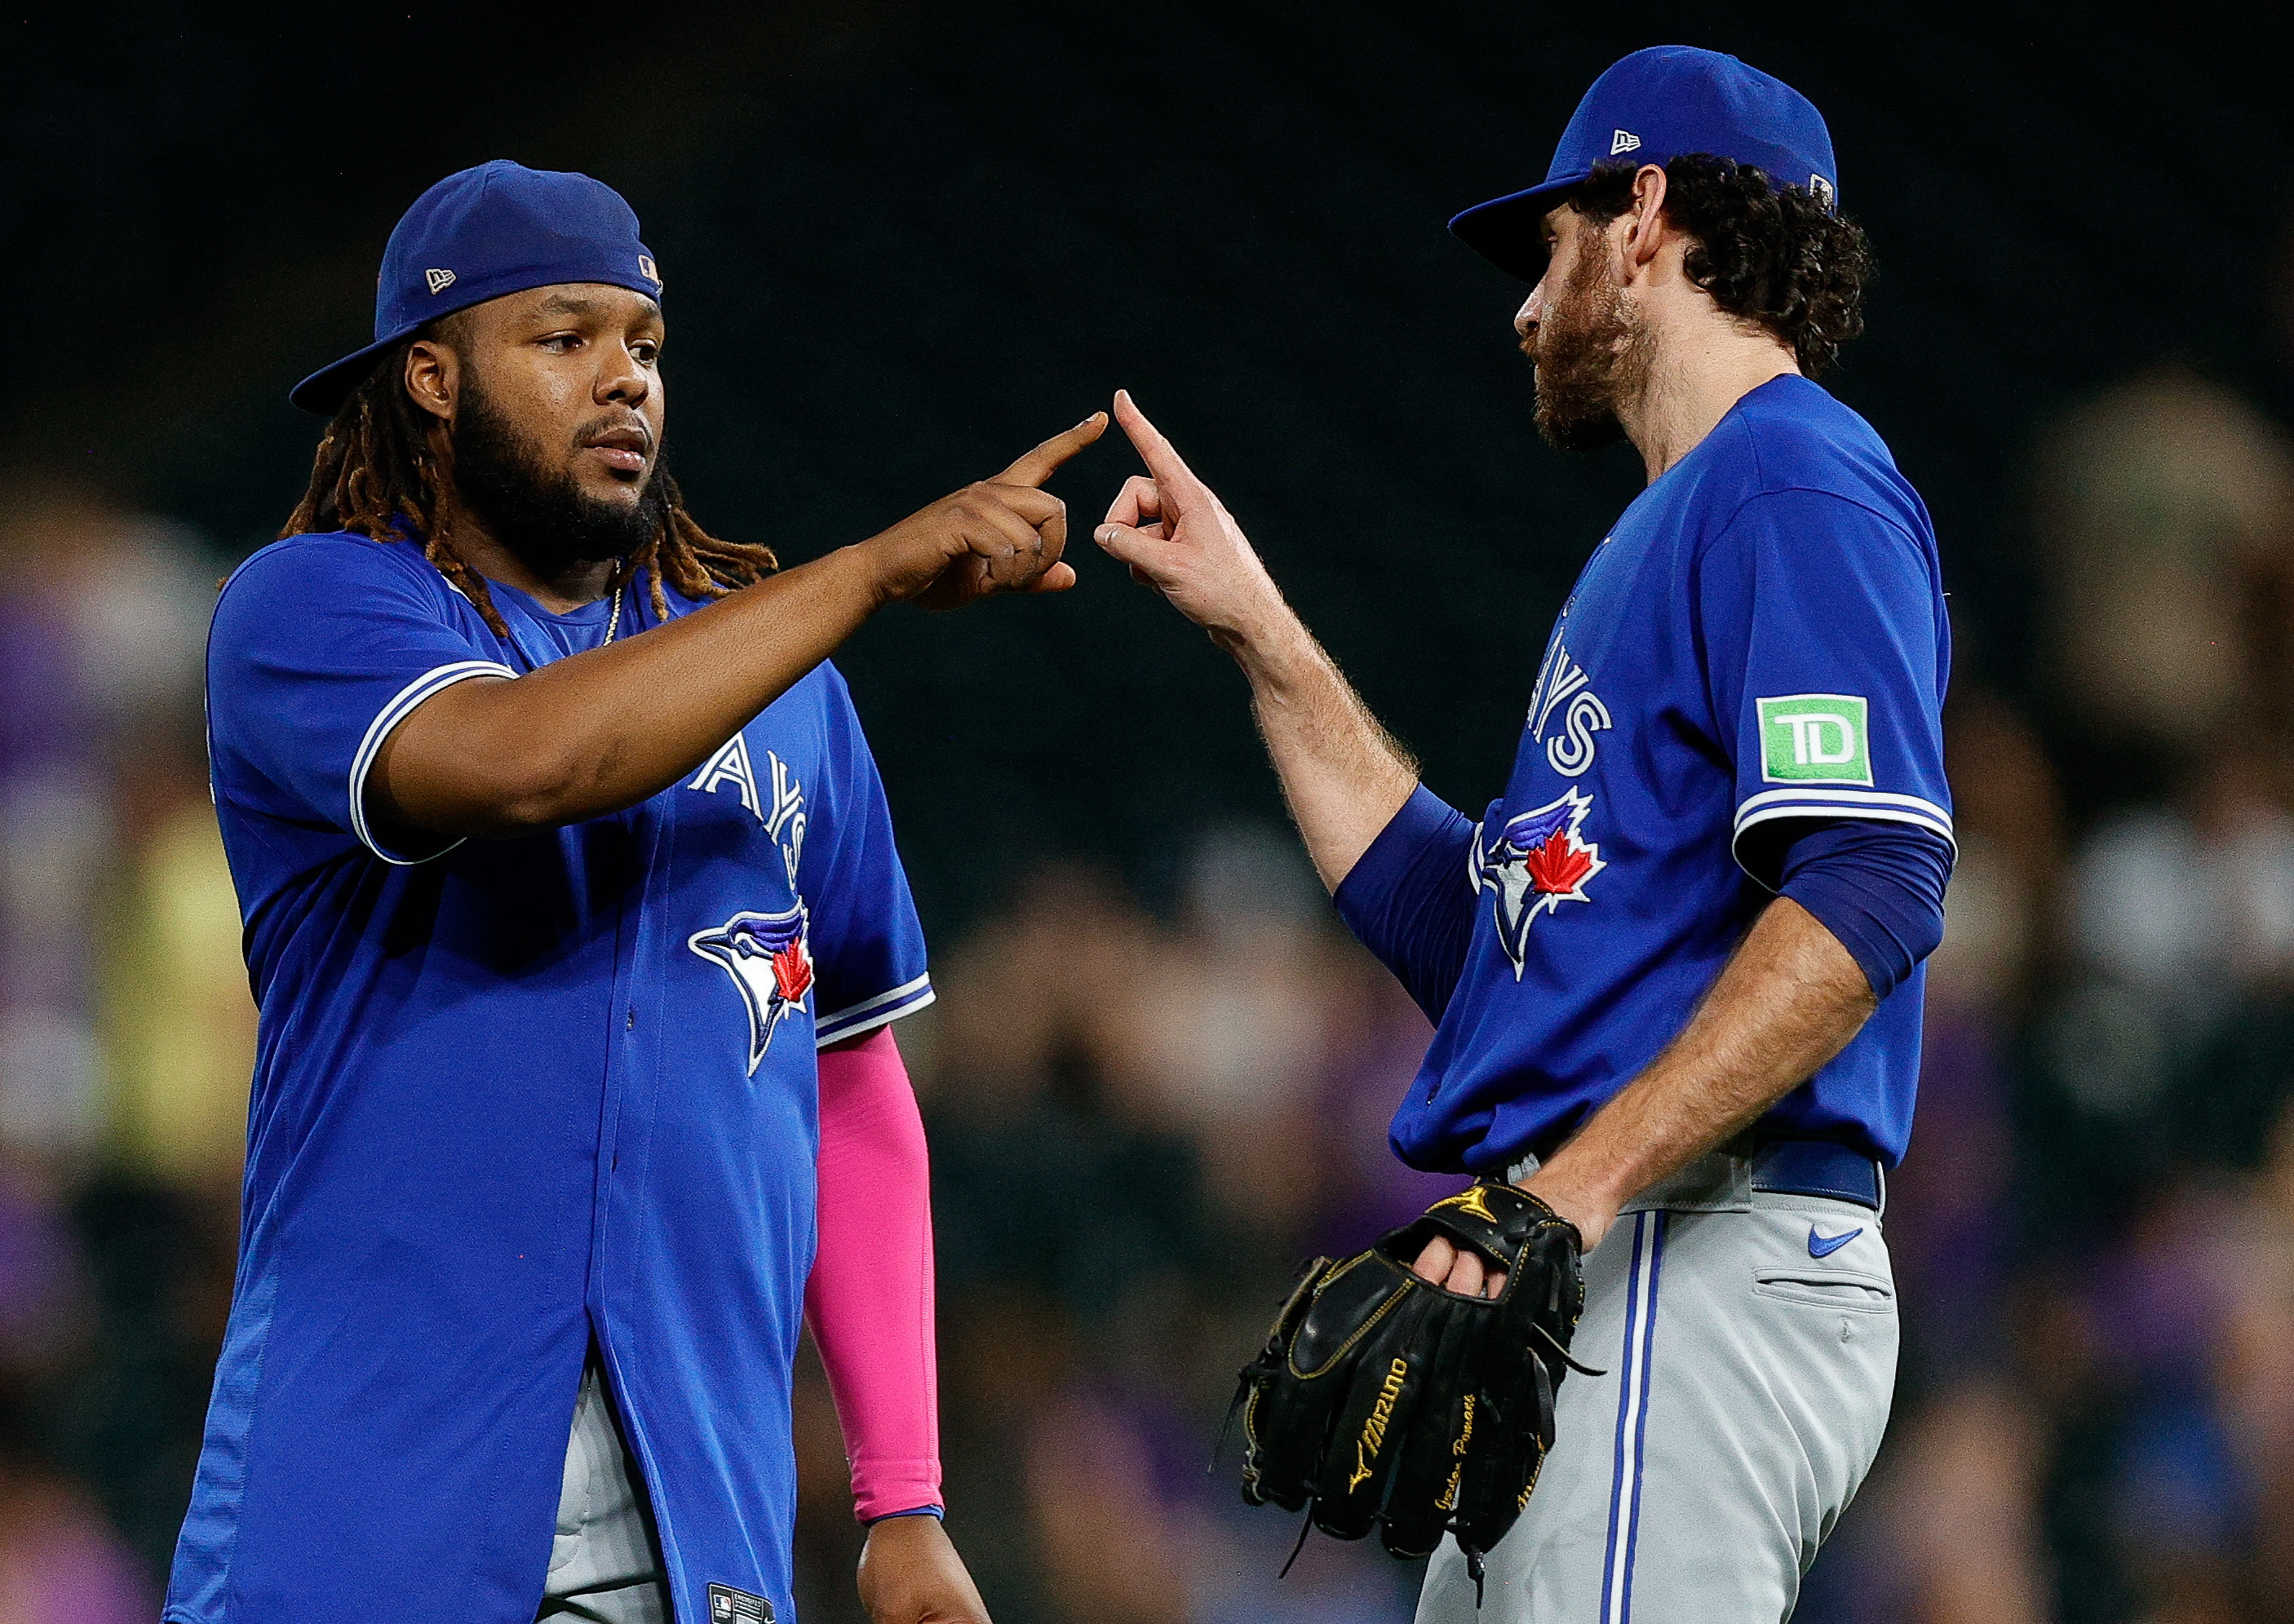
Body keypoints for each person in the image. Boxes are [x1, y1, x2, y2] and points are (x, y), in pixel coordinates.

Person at [165, 160, 1103, 1624]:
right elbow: (529, 760)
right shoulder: (311, 609)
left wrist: (902, 1503)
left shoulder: (788, 691)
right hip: (367, 1507)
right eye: (562, 339)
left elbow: (850, 1081)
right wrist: (864, 572)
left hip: (691, 1515)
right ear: (429, 376)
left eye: (645, 345)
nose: (624, 381)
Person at [1094, 46, 1951, 1623]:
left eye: (1546, 245)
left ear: (1640, 214)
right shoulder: (1674, 524)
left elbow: (1876, 881)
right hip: (1620, 1249)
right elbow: (1475, 939)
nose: (1522, 304)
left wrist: (1575, 1189)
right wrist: (1256, 630)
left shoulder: (1792, 480)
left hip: (1693, 1243)